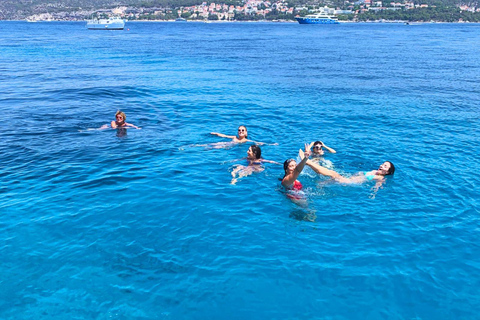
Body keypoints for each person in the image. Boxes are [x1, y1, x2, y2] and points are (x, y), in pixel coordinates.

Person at [299, 148, 395, 184]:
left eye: (385, 166)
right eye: (382, 164)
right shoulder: (374, 171)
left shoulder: (380, 178)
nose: (382, 165)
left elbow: (378, 186)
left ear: (387, 172)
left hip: (350, 182)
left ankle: (307, 162)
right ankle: (322, 182)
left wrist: (373, 194)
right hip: (349, 177)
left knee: (332, 173)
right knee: (331, 175)